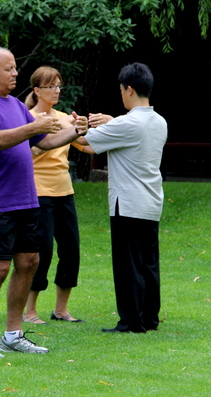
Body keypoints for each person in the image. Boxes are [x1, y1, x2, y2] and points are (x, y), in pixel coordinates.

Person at [0, 47, 88, 358]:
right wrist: (33, 126)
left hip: (25, 198)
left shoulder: (17, 105)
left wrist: (75, 131)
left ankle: (13, 334)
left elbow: (45, 142)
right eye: (9, 69)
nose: (15, 73)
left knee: (29, 262)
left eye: (15, 68)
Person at [83, 63, 167, 333]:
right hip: (151, 201)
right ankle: (149, 318)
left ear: (129, 89)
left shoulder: (127, 123)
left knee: (128, 265)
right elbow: (126, 132)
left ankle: (131, 321)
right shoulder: (159, 121)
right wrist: (111, 121)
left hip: (128, 203)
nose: (121, 94)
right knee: (148, 264)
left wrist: (66, 127)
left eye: (121, 90)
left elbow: (85, 144)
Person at [22, 66, 94, 325]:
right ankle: (29, 311)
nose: (56, 91)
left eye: (59, 85)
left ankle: (61, 310)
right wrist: (49, 133)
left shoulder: (64, 118)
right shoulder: (27, 118)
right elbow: (29, 152)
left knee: (71, 250)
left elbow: (85, 146)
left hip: (65, 191)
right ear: (37, 90)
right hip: (38, 192)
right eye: (51, 86)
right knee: (42, 252)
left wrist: (84, 128)